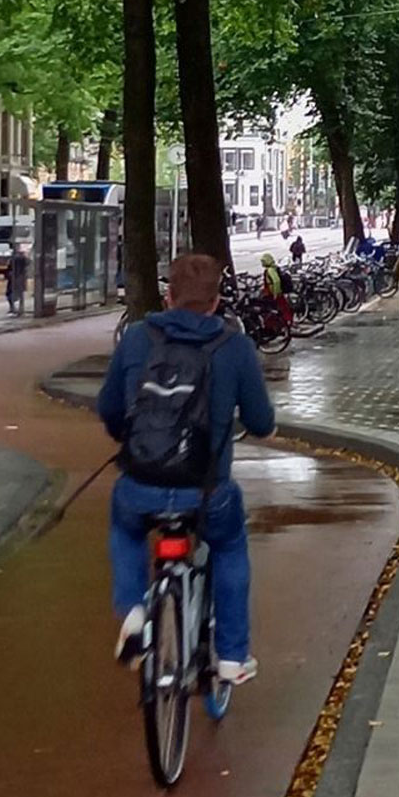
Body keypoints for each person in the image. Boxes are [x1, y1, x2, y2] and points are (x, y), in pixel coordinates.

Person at [99, 254, 276, 684]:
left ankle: (135, 611)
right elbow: (261, 422)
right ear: (216, 302)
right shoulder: (235, 346)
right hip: (207, 493)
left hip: (141, 485)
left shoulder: (139, 337)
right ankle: (232, 657)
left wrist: (132, 436)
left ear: (168, 295)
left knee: (126, 528)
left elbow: (109, 409)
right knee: (230, 544)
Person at [6, 243, 30, 316]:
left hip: (16, 277)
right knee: (18, 293)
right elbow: (28, 263)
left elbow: (10, 267)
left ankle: (15, 308)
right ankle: (18, 308)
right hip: (17, 277)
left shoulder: (16, 257)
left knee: (14, 293)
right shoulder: (20, 256)